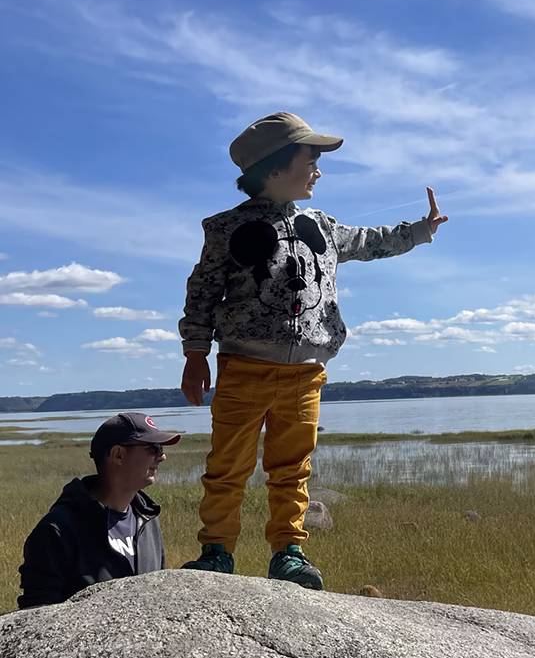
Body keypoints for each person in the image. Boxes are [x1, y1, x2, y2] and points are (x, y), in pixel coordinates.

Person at [178, 111, 447, 589]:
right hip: (243, 366)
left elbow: (369, 241)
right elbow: (202, 293)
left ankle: (289, 551)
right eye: (311, 160)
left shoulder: (321, 225)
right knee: (227, 466)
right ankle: (216, 551)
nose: (318, 171)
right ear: (275, 168)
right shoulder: (226, 229)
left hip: (306, 372)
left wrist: (420, 231)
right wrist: (195, 354)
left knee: (292, 467)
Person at [17, 412, 182, 608]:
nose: (162, 456)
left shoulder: (147, 519)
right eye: (153, 448)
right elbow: (36, 615)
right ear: (118, 454)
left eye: (161, 448)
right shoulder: (57, 531)